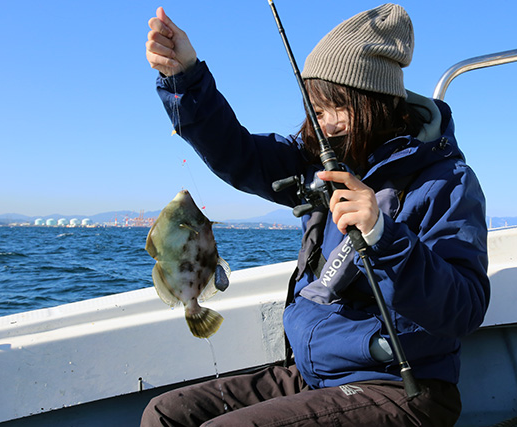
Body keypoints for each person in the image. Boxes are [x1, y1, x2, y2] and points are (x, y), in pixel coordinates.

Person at [143, 4, 490, 426]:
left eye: (328, 109)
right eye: (313, 108)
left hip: (404, 388)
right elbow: (238, 154)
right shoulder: (321, 163)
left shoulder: (446, 182)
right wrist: (186, 77)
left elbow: (465, 309)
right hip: (316, 376)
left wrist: (385, 236)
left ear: (368, 101)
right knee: (167, 413)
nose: (318, 124)